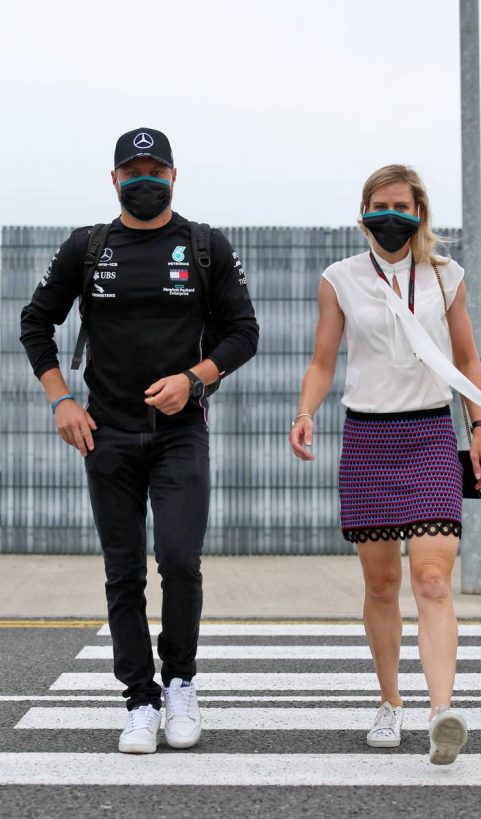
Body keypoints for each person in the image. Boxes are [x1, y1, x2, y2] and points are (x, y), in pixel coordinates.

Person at [20, 127, 259, 754]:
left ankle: (180, 683)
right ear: (115, 179)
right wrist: (62, 400)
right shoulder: (87, 246)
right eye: (133, 171)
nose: (144, 180)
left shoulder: (204, 245)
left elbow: (244, 332)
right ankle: (139, 700)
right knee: (122, 571)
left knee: (179, 560)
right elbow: (35, 322)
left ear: (174, 177)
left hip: (181, 435)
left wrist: (194, 379)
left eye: (155, 170)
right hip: (106, 435)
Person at [289, 164, 481, 765]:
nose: (392, 215)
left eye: (403, 206)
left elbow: (466, 359)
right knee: (382, 584)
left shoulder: (446, 275)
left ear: (420, 214)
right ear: (364, 212)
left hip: (431, 434)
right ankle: (391, 701)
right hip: (367, 438)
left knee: (432, 579)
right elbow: (322, 360)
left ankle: (442, 713)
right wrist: (306, 411)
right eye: (381, 205)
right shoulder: (340, 278)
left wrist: (480, 428)